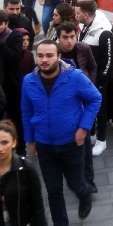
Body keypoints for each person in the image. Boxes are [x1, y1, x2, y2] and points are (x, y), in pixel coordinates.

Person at [21, 40, 101, 225]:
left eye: (49, 55)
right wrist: (30, 140)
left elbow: (95, 99)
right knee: (53, 190)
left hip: (72, 143)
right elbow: (26, 112)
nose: (44, 60)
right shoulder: (29, 81)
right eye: (40, 56)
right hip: (44, 146)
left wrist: (83, 128)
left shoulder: (75, 77)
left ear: (58, 57)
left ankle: (85, 195)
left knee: (76, 183)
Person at [76, 0, 112, 158]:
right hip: (86, 77)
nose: (75, 15)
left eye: (78, 13)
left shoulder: (104, 32)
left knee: (101, 109)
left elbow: (109, 60)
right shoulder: (85, 25)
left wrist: (102, 82)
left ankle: (102, 140)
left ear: (86, 14)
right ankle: (91, 134)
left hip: (98, 79)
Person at [0, 119, 47, 226]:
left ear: (14, 142)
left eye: (4, 142)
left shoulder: (27, 169)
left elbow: (38, 208)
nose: (0, 148)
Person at [2, 28, 35, 155]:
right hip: (11, 93)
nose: (25, 43)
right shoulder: (8, 54)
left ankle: (21, 147)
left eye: (27, 40)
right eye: (22, 40)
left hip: (24, 92)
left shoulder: (28, 55)